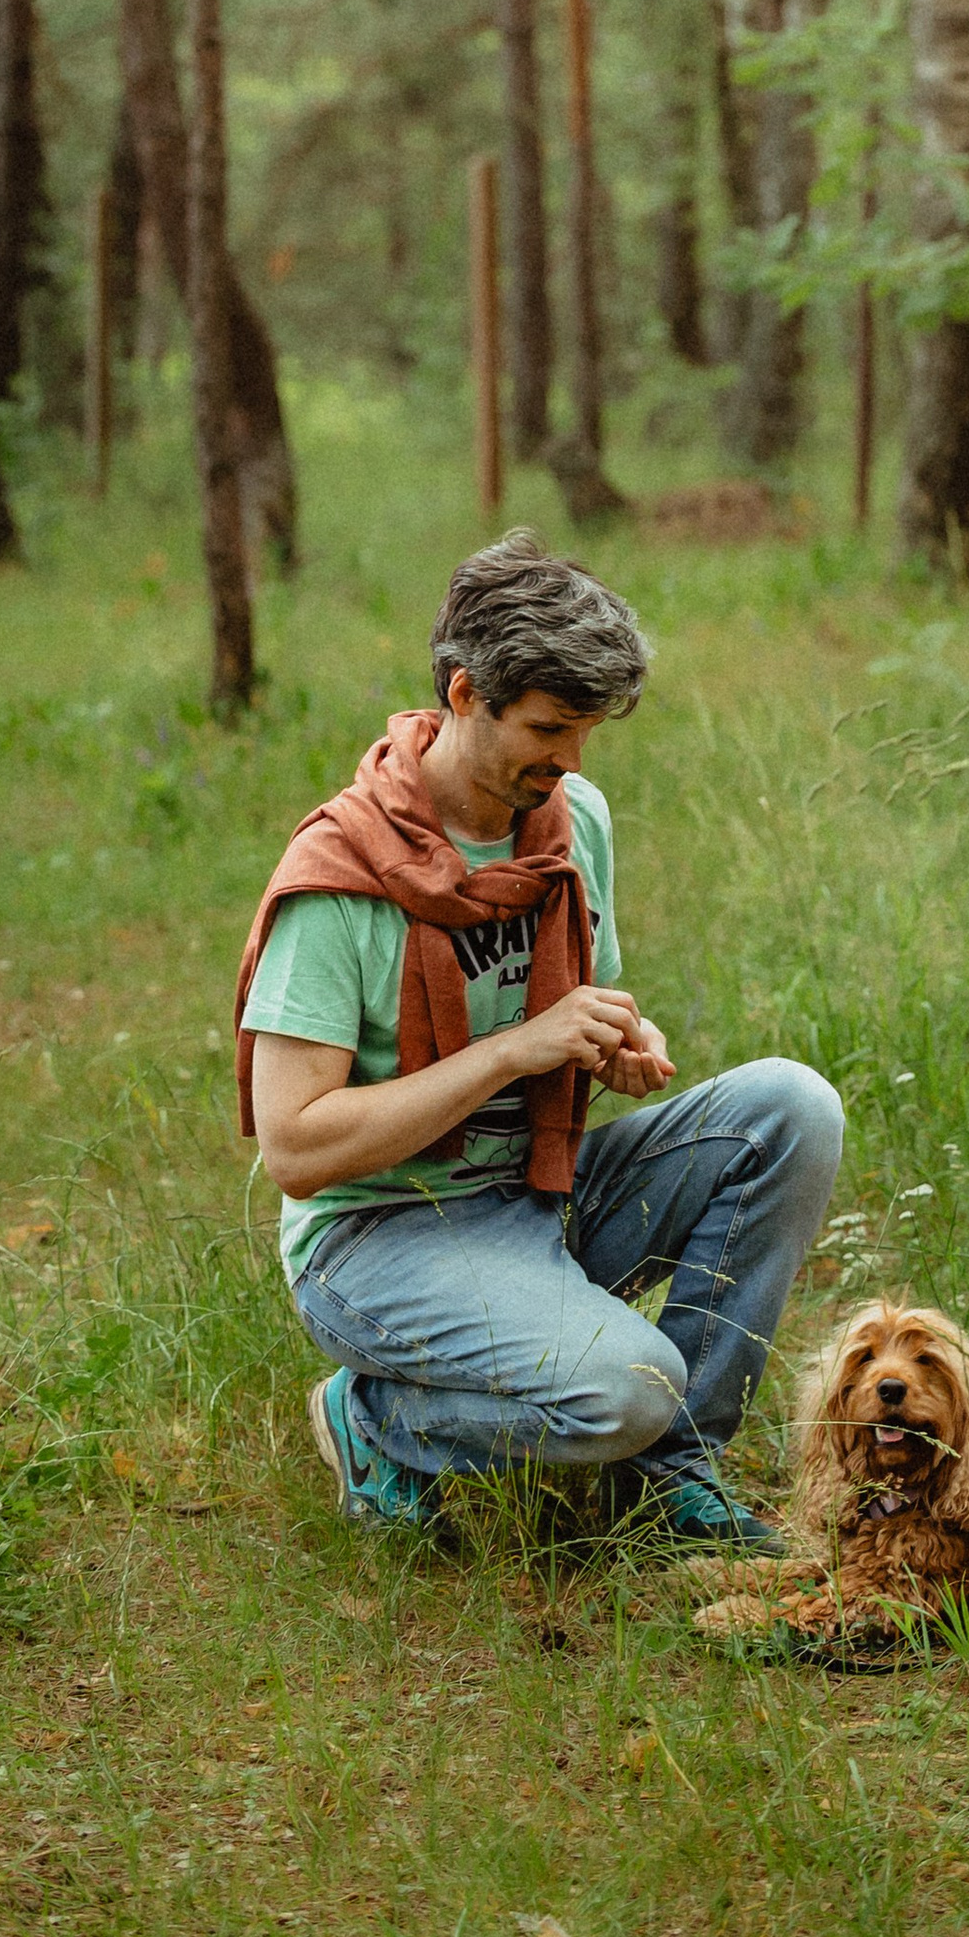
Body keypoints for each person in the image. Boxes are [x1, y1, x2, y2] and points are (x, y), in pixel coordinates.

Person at [234, 531, 843, 1545]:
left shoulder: (570, 819)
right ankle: (377, 1420)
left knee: (792, 1106)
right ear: (465, 693)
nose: (569, 761)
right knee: (629, 1388)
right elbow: (294, 1147)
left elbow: (579, 995)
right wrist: (513, 1051)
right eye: (550, 728)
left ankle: (672, 1469)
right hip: (379, 1234)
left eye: (585, 734)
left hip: (537, 1188)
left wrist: (617, 1038)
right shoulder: (337, 878)